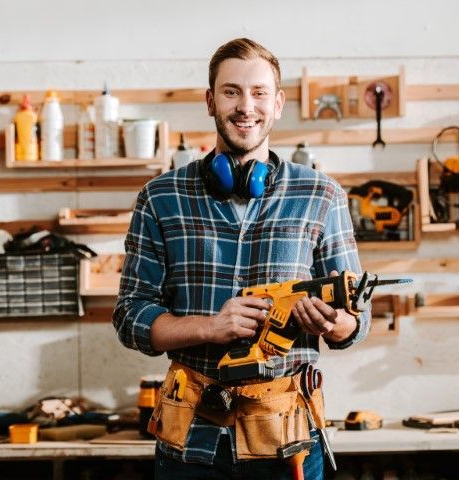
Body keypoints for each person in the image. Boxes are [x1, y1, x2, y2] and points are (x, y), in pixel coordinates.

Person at [113, 37, 370, 479]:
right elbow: (130, 318)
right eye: (231, 91)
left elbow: (356, 321)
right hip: (190, 440)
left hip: (286, 438)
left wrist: (334, 322)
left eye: (258, 93)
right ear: (211, 100)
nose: (245, 106)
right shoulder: (161, 197)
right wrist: (211, 327)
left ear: (278, 103)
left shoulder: (321, 195)